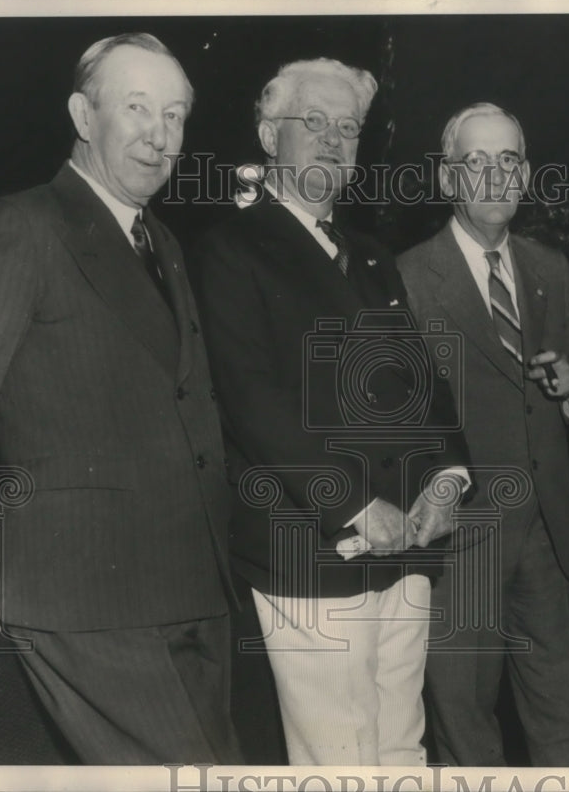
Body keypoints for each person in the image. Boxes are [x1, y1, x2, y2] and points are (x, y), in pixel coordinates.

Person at [0, 33, 242, 765]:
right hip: (88, 595)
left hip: (191, 587)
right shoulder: (22, 228)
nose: (161, 136)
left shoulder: (163, 241)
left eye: (177, 115)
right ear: (82, 116)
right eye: (137, 109)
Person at [192, 58, 472, 767]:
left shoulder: (373, 257)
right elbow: (252, 401)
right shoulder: (228, 248)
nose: (332, 139)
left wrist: (449, 477)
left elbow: (426, 384)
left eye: (347, 127)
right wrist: (352, 502)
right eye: (311, 122)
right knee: (339, 757)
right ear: (267, 134)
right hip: (313, 547)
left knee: (402, 744)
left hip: (407, 543)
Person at [397, 103, 569, 766]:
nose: (494, 177)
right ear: (447, 177)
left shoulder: (550, 268)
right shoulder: (404, 279)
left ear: (525, 176)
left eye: (509, 161)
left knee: (567, 718)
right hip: (461, 540)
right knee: (465, 726)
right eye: (476, 162)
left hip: (548, 536)